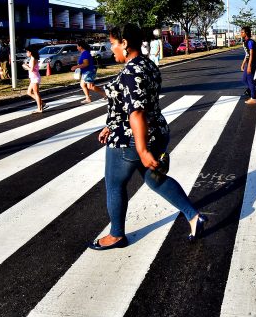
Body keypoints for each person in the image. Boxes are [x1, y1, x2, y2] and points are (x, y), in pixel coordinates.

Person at [86, 23, 205, 250]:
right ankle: (193, 216)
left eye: (113, 44)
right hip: (156, 130)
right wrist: (111, 124)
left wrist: (141, 149)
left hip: (132, 139)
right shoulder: (147, 65)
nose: (111, 49)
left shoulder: (131, 71)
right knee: (155, 180)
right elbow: (126, 99)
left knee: (114, 184)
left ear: (125, 43)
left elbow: (137, 111)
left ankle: (116, 235)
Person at [240, 26, 256, 105]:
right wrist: (243, 63)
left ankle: (253, 98)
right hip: (249, 62)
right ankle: (254, 93)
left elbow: (251, 54)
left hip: (252, 63)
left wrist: (249, 66)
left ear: (246, 33)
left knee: (249, 80)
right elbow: (247, 54)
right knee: (244, 79)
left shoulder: (250, 42)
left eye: (242, 32)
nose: (241, 33)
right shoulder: (245, 42)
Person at [22, 45, 45, 113]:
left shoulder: (33, 59)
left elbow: (31, 69)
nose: (26, 53)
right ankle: (42, 103)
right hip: (33, 77)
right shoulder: (33, 58)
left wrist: (25, 66)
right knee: (29, 92)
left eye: (27, 52)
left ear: (30, 52)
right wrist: (27, 65)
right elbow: (34, 68)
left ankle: (40, 108)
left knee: (36, 93)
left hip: (35, 78)